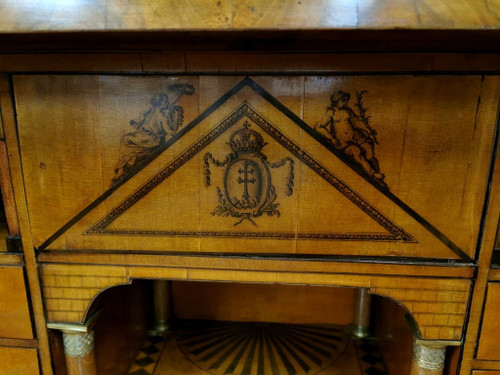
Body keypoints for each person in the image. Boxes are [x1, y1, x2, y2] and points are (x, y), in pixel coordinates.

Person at [315, 90, 386, 185]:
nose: (345, 103)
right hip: (344, 142)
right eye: (343, 100)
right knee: (356, 151)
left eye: (346, 100)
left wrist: (368, 131)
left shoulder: (348, 111)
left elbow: (357, 122)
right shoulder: (330, 113)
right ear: (336, 101)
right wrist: (331, 138)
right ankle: (372, 174)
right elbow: (318, 127)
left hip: (358, 138)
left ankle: (378, 174)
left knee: (369, 154)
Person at [113, 94, 183, 183]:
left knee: (126, 139)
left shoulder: (163, 117)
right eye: (165, 101)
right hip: (145, 135)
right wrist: (138, 123)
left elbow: (171, 133)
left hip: (154, 139)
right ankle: (122, 168)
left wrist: (176, 118)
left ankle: (121, 168)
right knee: (126, 140)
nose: (167, 103)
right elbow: (142, 118)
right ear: (159, 103)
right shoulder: (151, 111)